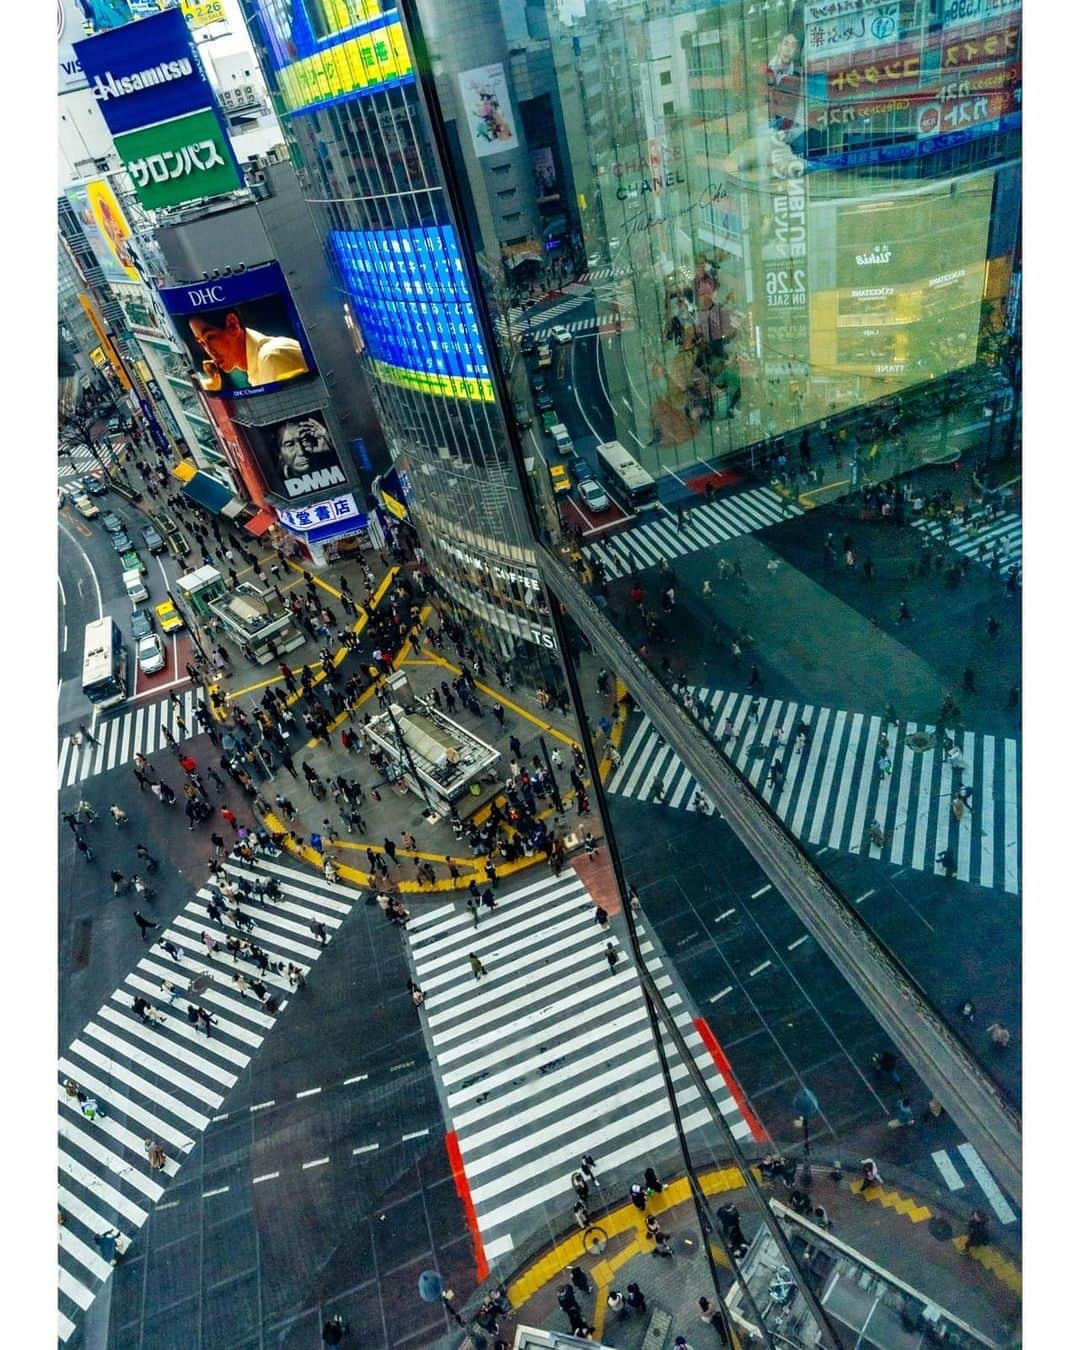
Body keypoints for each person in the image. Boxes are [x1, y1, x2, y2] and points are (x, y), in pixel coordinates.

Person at [188, 309, 309, 393]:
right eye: (202, 343)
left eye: (210, 337)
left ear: (232, 325)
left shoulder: (271, 358)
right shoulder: (261, 362)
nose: (210, 351)